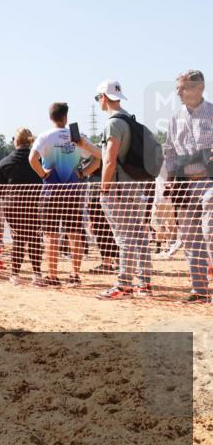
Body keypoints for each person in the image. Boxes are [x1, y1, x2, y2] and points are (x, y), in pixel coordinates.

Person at [29, 102, 102, 287]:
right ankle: (75, 275)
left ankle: (53, 276)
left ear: (50, 117)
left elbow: (32, 159)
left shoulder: (45, 136)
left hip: (51, 191)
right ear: (66, 117)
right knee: (74, 234)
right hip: (72, 190)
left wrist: (43, 174)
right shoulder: (77, 136)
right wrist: (82, 173)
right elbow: (99, 157)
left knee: (51, 236)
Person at [93, 81, 154, 300]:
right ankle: (144, 283)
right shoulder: (130, 120)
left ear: (103, 98)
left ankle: (123, 284)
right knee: (139, 235)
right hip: (135, 186)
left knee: (124, 237)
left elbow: (109, 160)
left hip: (118, 189)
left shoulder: (112, 124)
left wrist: (103, 189)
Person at [161, 70, 213, 303]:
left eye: (183, 87)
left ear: (199, 88)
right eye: (177, 88)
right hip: (184, 186)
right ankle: (200, 289)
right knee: (191, 238)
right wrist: (171, 181)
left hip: (210, 182)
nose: (178, 92)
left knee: (209, 231)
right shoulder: (174, 119)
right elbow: (170, 152)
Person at [0, 128, 44, 284]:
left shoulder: (4, 163)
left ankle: (15, 275)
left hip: (13, 207)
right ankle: (37, 275)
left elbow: (0, 191)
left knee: (18, 239)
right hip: (35, 205)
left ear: (16, 141)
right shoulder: (39, 160)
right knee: (35, 238)